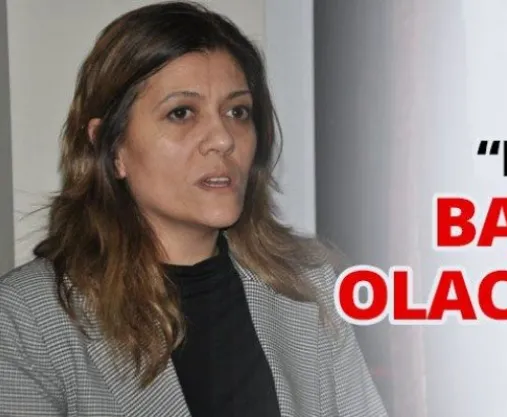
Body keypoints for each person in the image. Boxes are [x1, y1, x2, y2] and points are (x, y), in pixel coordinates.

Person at [0, 1, 388, 416]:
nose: (223, 138)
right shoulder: (28, 320)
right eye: (181, 113)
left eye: (237, 112)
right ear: (111, 148)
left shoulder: (310, 288)